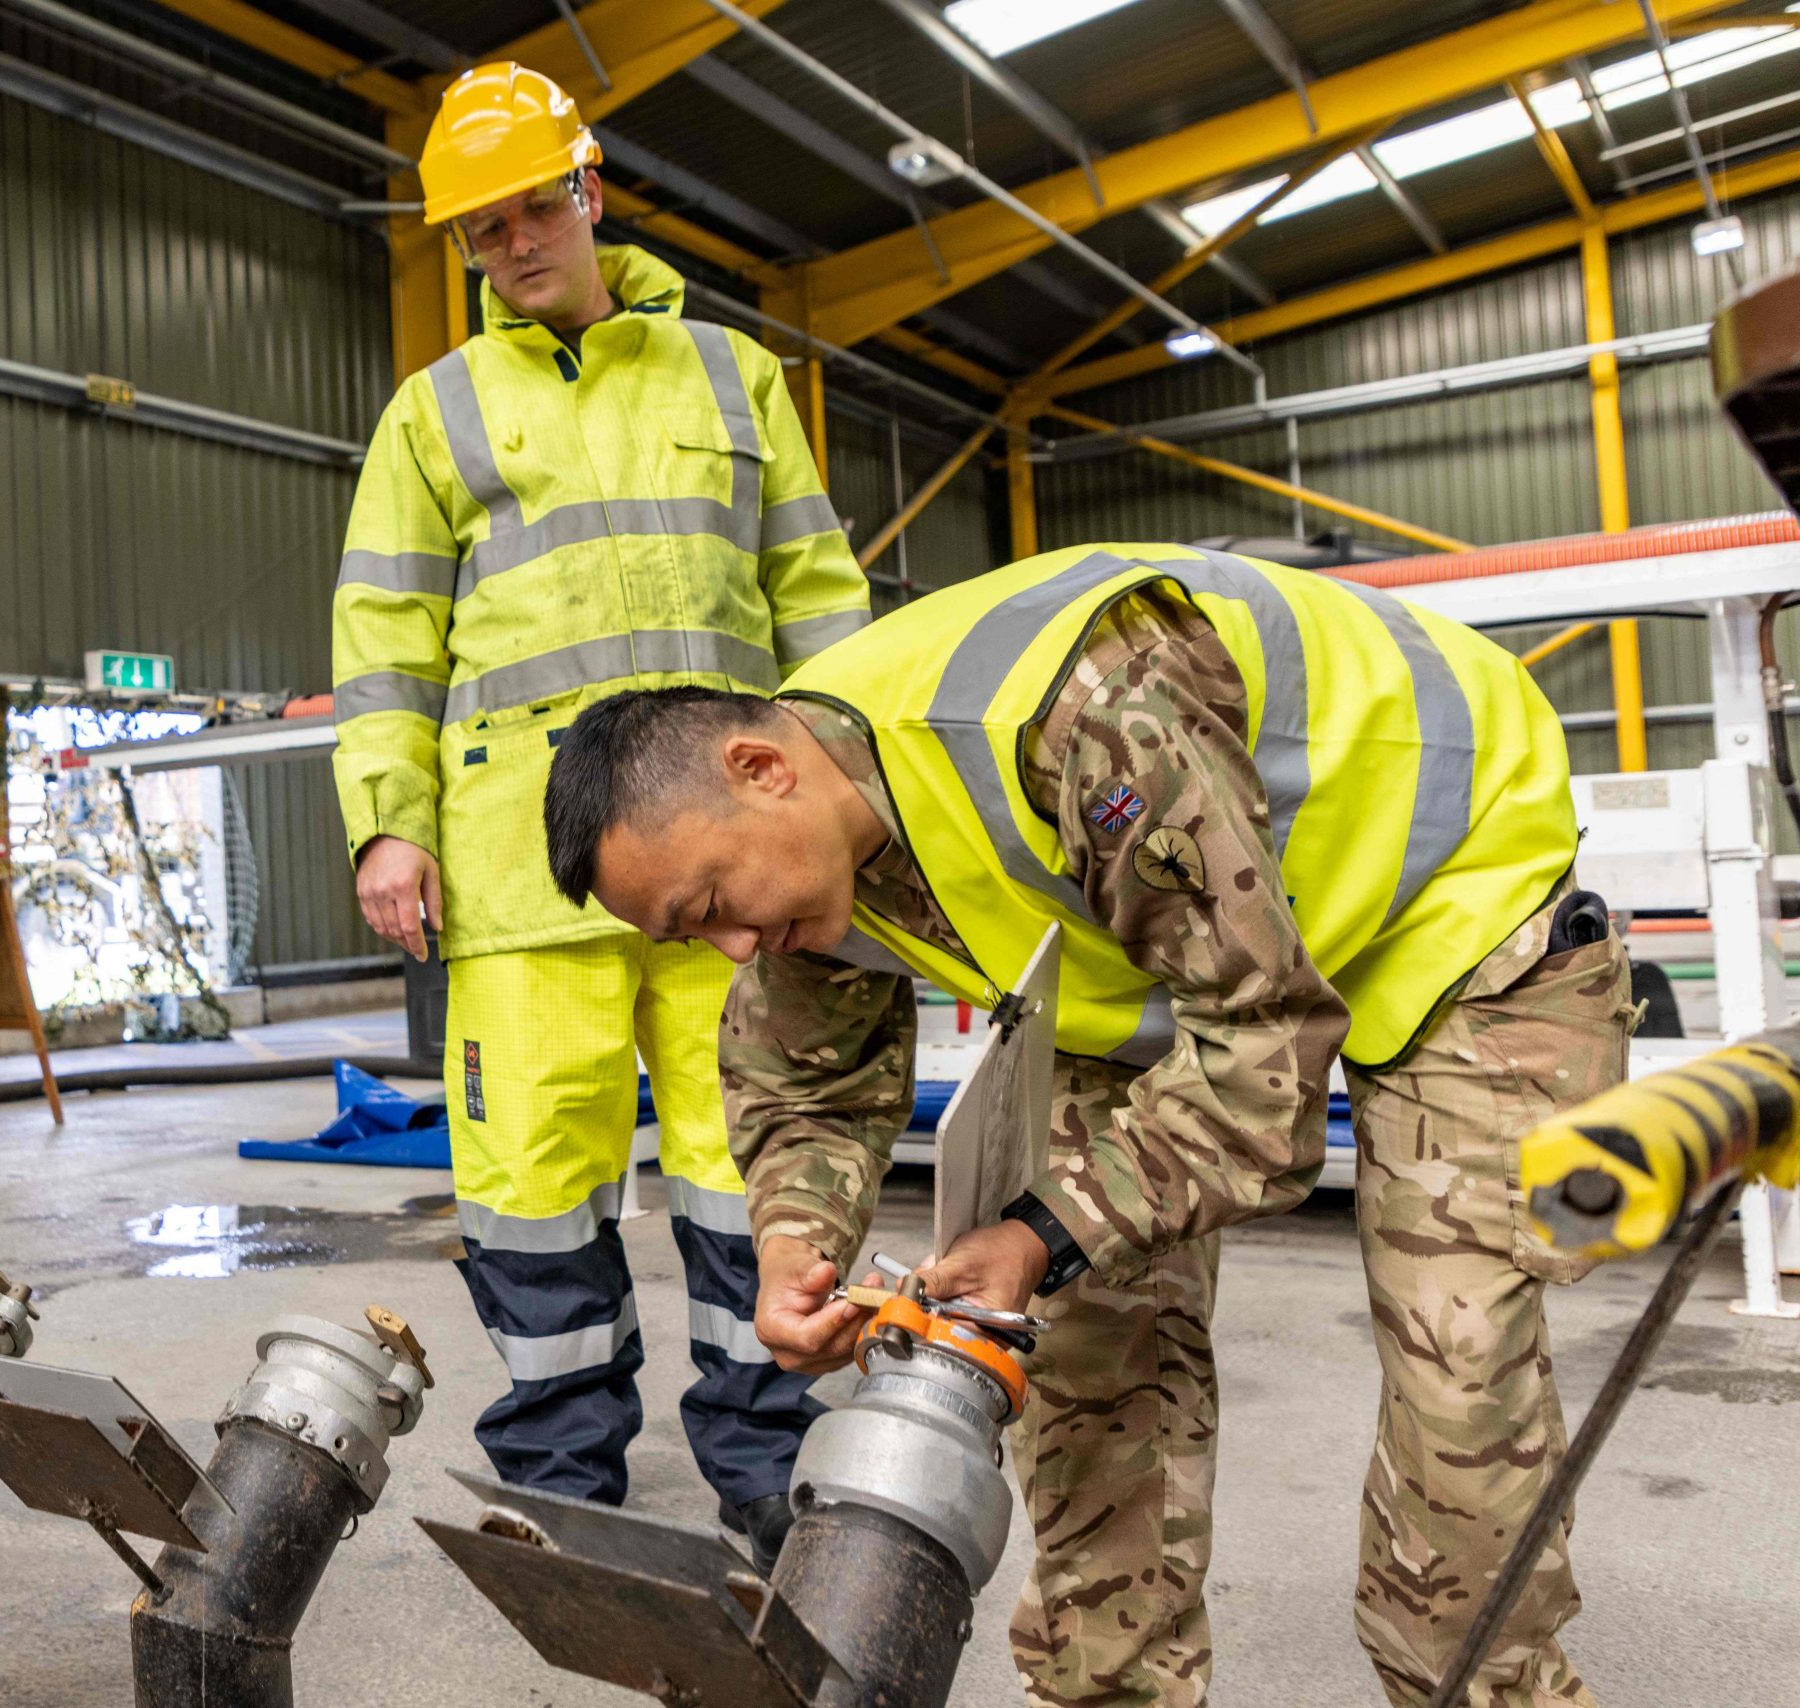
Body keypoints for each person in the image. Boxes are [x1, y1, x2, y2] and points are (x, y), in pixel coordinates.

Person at [538, 541, 1638, 1707]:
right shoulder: (802, 855)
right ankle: (1111, 1692)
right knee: (1083, 1342)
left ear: (762, 768)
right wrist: (794, 1241)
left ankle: (1477, 1687)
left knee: (1455, 1363)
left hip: (1457, 908)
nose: (730, 947)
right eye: (689, 935)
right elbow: (809, 1085)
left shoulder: (1078, 718)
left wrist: (1042, 1226)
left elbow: (1262, 1068)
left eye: (712, 906)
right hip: (1192, 962)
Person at [327, 61, 871, 1566]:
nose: (512, 244)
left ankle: (763, 1458)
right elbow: (383, 639)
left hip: (729, 864)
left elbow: (816, 599)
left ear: (591, 188)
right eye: (480, 232)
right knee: (529, 1187)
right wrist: (390, 821)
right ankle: (562, 1467)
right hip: (521, 879)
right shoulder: (433, 414)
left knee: (740, 1159)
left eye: (530, 208)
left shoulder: (730, 375)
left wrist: (853, 789)